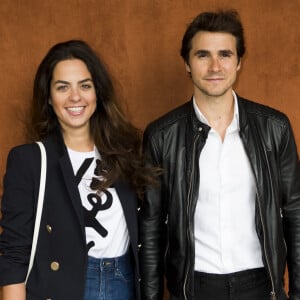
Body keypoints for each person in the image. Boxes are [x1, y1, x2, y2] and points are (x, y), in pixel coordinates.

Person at [140, 9, 300, 300]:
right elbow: (150, 227)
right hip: (194, 287)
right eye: (203, 55)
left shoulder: (274, 128)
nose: (215, 66)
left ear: (239, 62)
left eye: (225, 54)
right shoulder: (162, 136)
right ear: (187, 63)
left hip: (259, 285)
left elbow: (295, 214)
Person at [0, 40, 155, 300]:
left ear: (98, 92)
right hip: (65, 288)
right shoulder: (29, 160)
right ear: (49, 97)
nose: (75, 97)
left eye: (85, 85)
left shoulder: (127, 154)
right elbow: (14, 254)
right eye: (63, 87)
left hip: (123, 284)